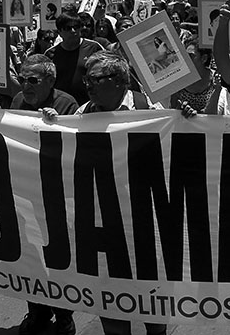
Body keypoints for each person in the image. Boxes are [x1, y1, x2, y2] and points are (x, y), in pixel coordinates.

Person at [73, 51, 166, 335]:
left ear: (118, 81)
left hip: (144, 215)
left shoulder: (148, 107)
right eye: (86, 79)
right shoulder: (81, 114)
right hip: (102, 217)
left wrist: (187, 117)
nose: (88, 86)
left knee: (151, 290)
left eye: (95, 79)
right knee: (108, 291)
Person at [12, 54, 77, 335]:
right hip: (23, 193)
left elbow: (77, 141)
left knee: (57, 259)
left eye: (33, 80)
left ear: (50, 81)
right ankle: (36, 311)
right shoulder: (17, 102)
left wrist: (57, 124)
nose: (25, 86)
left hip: (56, 196)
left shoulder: (66, 104)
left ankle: (64, 316)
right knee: (29, 257)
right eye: (23, 79)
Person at [45, 13, 103, 105]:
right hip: (61, 106)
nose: (73, 31)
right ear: (59, 32)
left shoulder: (94, 48)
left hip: (89, 104)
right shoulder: (50, 54)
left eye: (76, 27)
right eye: (67, 28)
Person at [171, 38, 217, 112]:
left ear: (204, 58)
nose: (186, 60)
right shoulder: (178, 80)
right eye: (185, 56)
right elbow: (172, 108)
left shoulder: (216, 80)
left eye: (191, 56)